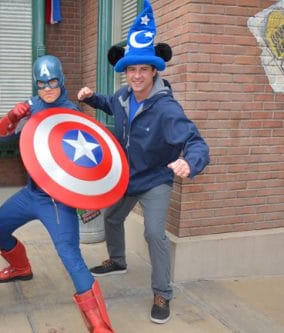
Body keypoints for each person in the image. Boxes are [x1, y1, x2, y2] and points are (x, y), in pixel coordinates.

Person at [77, 0, 210, 325]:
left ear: (153, 71)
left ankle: (162, 292)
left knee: (154, 234)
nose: (136, 75)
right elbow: (108, 104)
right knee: (111, 219)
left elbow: (196, 142)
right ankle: (118, 260)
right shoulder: (122, 97)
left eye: (142, 69)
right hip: (127, 177)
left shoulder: (167, 109)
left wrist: (189, 163)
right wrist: (90, 97)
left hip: (155, 180)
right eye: (131, 69)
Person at [0, 55, 115, 333]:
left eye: (53, 82)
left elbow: (87, 162)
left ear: (62, 81)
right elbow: (1, 136)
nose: (47, 88)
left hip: (58, 201)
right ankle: (21, 268)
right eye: (41, 83)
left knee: (70, 254)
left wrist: (86, 198)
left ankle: (100, 325)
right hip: (31, 193)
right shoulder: (31, 107)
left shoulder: (71, 113)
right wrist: (12, 116)